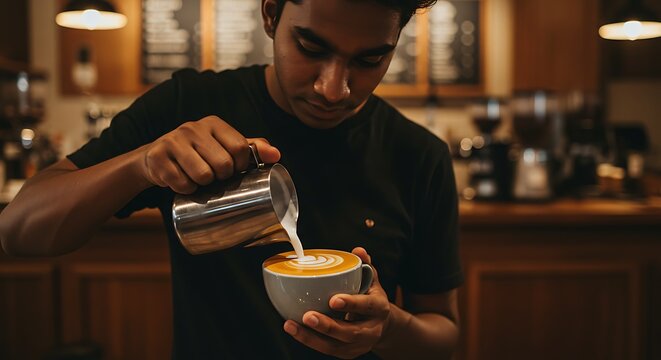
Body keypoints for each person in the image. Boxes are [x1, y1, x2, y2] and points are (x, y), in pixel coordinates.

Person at [0, 0, 463, 358]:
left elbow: (443, 333)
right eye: (311, 48)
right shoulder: (186, 105)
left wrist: (387, 329)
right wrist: (141, 163)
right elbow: (18, 231)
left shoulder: (418, 155)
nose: (333, 88)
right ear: (269, 14)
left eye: (370, 60)